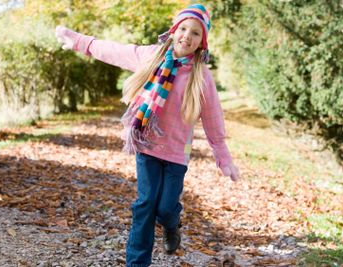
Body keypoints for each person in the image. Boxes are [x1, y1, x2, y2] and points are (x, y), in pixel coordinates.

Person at [55, 3, 239, 267]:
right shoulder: (151, 56)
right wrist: (80, 41)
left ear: (202, 42)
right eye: (183, 28)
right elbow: (115, 51)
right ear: (174, 30)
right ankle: (137, 263)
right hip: (147, 144)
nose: (187, 36)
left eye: (196, 33)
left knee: (165, 208)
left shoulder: (201, 77)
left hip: (177, 153)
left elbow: (213, 119)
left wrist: (223, 157)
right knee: (145, 205)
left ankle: (172, 223)